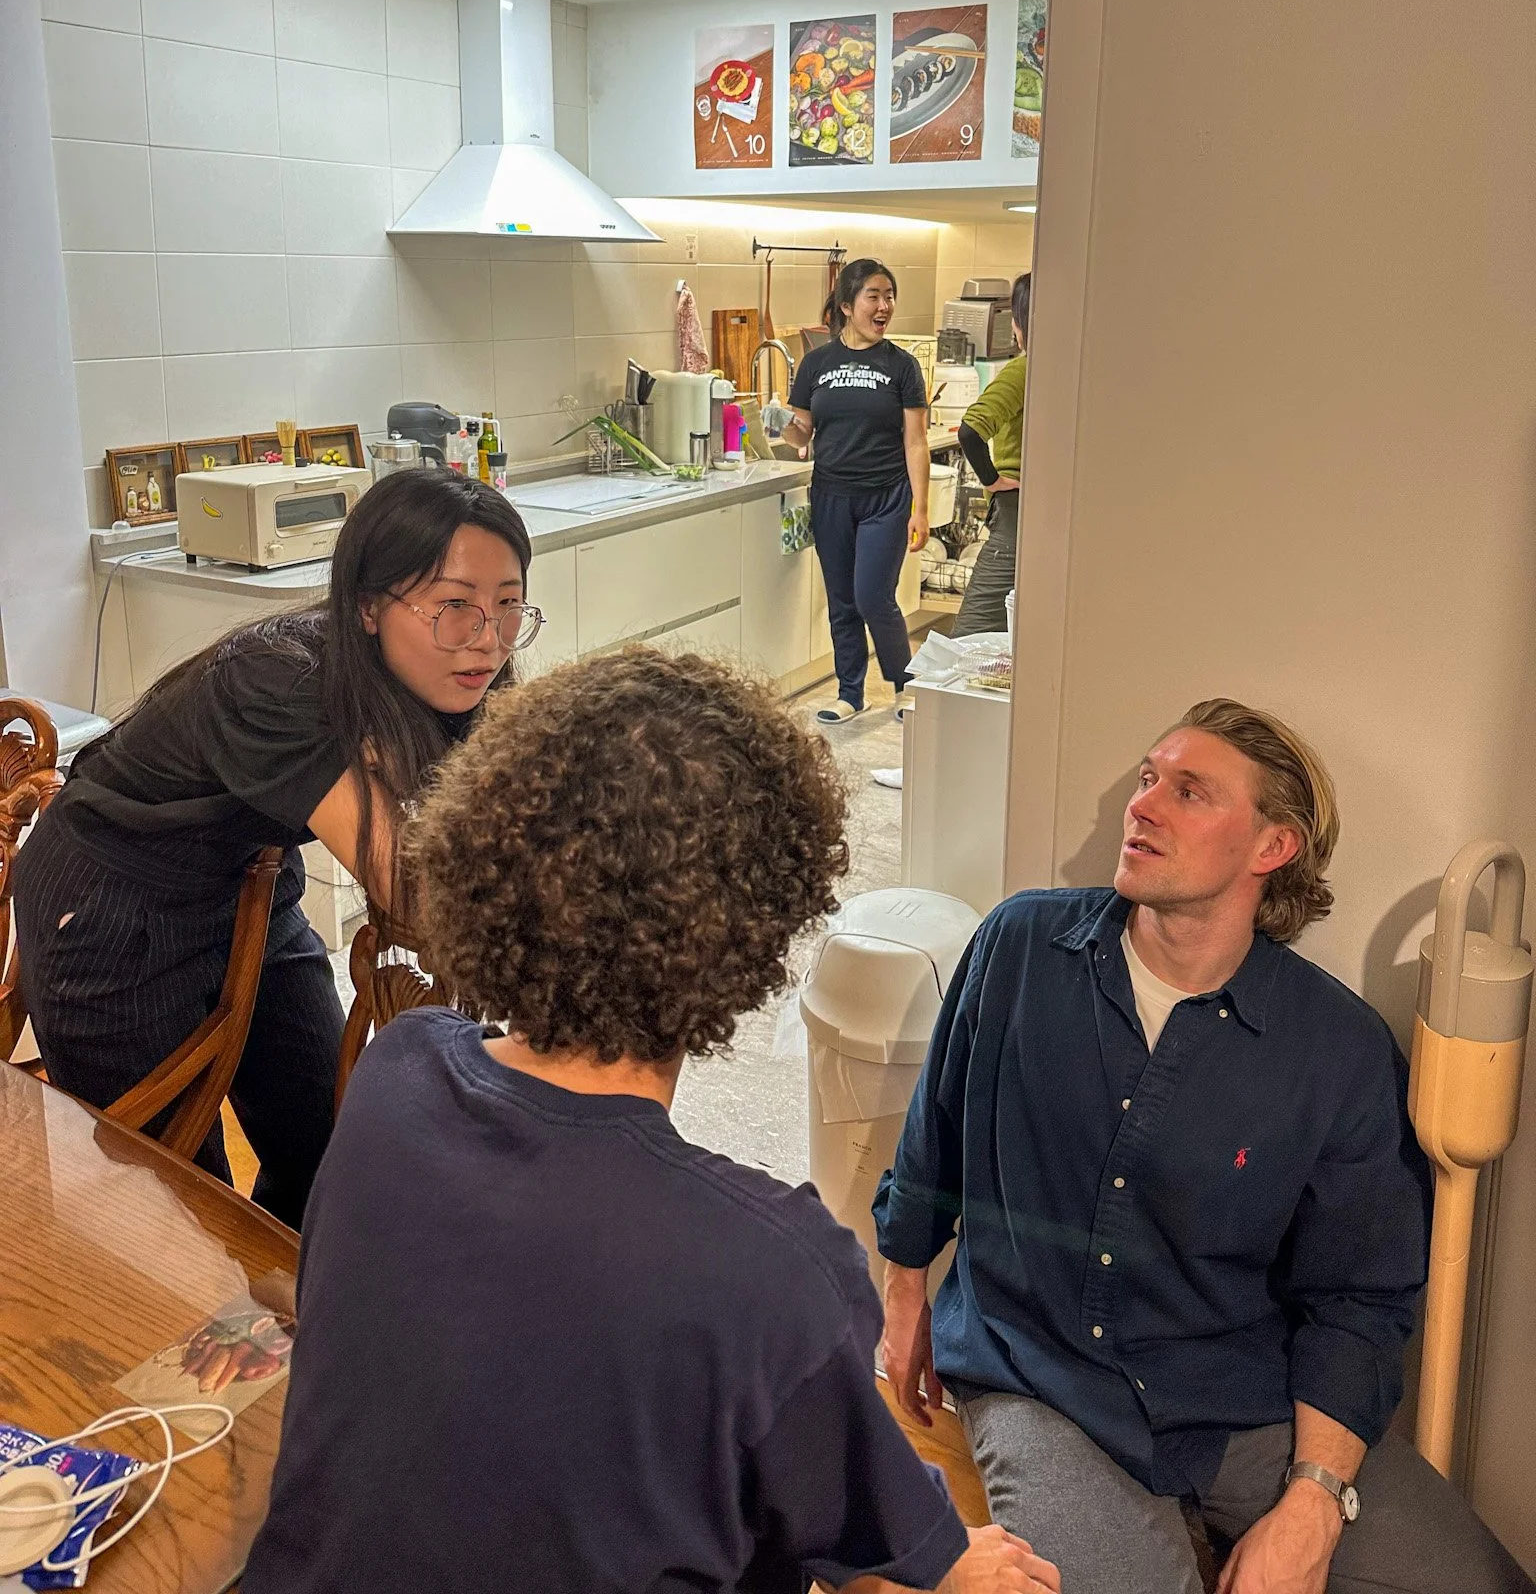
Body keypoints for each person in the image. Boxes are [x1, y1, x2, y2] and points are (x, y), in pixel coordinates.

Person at [241, 648, 1061, 1594]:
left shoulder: (399, 1072)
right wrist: (959, 1571)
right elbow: (889, 1537)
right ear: (747, 931)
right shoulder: (772, 1267)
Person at [874, 698, 1534, 1594]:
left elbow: (1359, 1299)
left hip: (1235, 1396)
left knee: (1474, 1583)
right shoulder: (1020, 946)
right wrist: (904, 1289)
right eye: (1148, 779)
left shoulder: (1335, 1049)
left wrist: (1311, 1503)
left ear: (1272, 848)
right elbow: (936, 1136)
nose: (1142, 805)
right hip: (1039, 1375)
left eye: (1189, 792)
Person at [11, 469, 537, 1227]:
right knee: (171, 1198)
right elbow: (414, 889)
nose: (487, 638)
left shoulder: (448, 668)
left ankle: (297, 1310)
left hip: (249, 879)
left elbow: (510, 809)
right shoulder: (278, 681)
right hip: (110, 901)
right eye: (454, 604)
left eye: (508, 603)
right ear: (366, 606)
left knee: (326, 1138)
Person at [786, 258, 930, 724]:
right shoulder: (816, 364)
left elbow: (916, 441)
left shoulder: (902, 366)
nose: (885, 305)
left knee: (873, 596)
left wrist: (920, 509)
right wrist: (780, 425)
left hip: (886, 497)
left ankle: (905, 686)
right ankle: (850, 691)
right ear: (847, 305)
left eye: (889, 296)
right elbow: (801, 436)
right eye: (875, 295)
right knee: (842, 600)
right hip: (830, 495)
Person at [952, 273, 1029, 639]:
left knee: (971, 635)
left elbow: (970, 430)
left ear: (1019, 324)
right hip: (1042, 513)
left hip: (1015, 513)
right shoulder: (1070, 373)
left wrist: (993, 481)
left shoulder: (1024, 370)